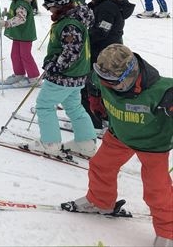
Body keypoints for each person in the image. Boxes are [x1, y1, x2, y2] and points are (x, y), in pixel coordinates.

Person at [66, 44, 172, 247]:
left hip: (153, 144)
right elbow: (94, 83)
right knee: (100, 166)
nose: (108, 85)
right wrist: (95, 100)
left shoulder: (162, 91)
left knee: (157, 189)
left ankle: (168, 230)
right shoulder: (104, 78)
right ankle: (100, 202)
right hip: (119, 136)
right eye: (105, 80)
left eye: (114, 82)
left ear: (130, 74)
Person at [21, 0, 97, 157]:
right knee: (74, 107)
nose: (49, 10)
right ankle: (85, 143)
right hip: (77, 75)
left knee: (44, 106)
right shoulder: (73, 18)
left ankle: (50, 143)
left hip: (64, 76)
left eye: (49, 6)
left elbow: (71, 52)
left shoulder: (69, 24)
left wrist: (54, 66)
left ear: (58, 5)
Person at [84, 0, 135, 129]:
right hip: (110, 50)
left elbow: (101, 31)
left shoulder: (107, 8)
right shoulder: (111, 4)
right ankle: (101, 113)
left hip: (103, 53)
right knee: (102, 84)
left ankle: (93, 120)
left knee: (93, 84)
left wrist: (83, 37)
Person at [0, 0, 40, 87]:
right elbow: (16, 14)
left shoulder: (22, 2)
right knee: (15, 55)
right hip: (18, 34)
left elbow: (21, 18)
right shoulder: (18, 0)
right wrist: (8, 14)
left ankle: (34, 77)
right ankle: (19, 74)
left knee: (25, 55)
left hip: (25, 34)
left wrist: (7, 23)